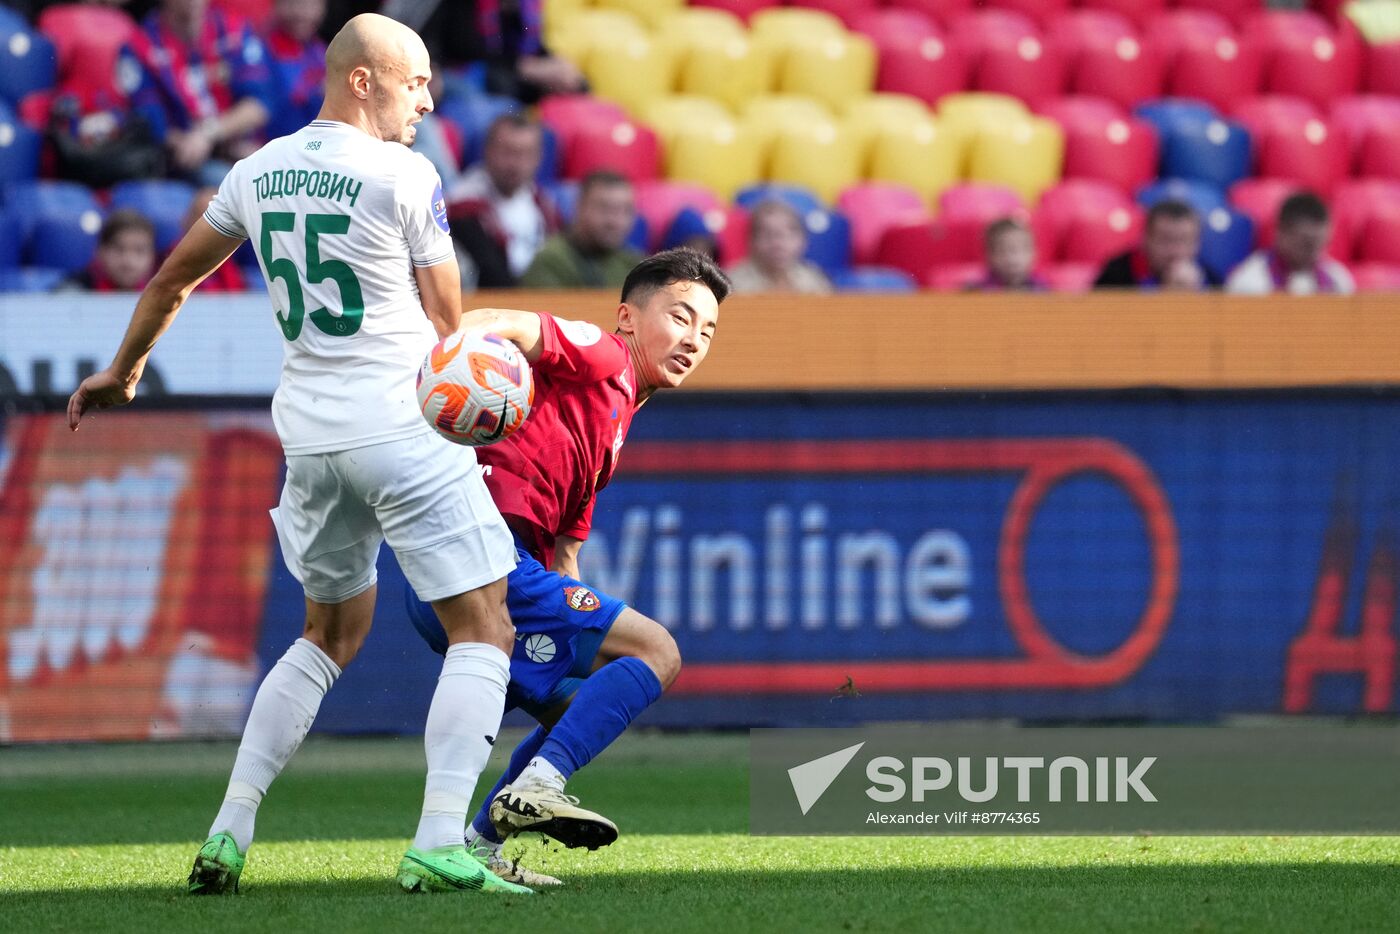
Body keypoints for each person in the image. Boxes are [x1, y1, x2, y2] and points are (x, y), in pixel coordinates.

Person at [69, 13, 535, 897]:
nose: (429, 101)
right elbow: (447, 328)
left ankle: (228, 831)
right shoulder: (404, 174)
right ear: (363, 78)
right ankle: (440, 839)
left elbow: (173, 278)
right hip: (402, 428)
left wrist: (123, 372)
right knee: (485, 627)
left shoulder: (255, 169)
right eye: (417, 81)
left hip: (312, 439)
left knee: (326, 634)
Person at [405, 248, 729, 886]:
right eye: (681, 316)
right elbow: (510, 322)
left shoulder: (610, 430)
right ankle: (538, 787)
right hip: (486, 555)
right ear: (628, 318)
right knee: (659, 652)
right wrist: (448, 358)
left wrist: (579, 633)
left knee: (578, 708)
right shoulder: (602, 353)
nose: (694, 339)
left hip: (482, 572)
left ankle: (473, 847)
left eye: (708, 330)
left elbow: (567, 556)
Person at [117, 0, 275, 186]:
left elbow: (258, 106)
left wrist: (209, 134)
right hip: (181, 162)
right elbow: (152, 123)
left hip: (241, 148)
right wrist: (201, 145)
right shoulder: (139, 45)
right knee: (229, 183)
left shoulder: (233, 30)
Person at [446, 114, 559, 289]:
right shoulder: (463, 205)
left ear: (539, 158)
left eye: (526, 154)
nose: (516, 163)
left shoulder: (542, 204)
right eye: (508, 152)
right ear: (487, 151)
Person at [520, 171, 641, 289]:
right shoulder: (550, 262)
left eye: (626, 210)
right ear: (579, 207)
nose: (616, 222)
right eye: (605, 209)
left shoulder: (632, 264)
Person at [1225, 192, 1355, 295]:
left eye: (1321, 243)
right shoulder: (1251, 282)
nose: (1314, 252)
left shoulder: (1338, 281)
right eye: (1307, 243)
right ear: (1281, 233)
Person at [1093, 200, 1219, 290]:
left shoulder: (1210, 278)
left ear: (1197, 243)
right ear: (1145, 239)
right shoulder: (1117, 274)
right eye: (1166, 240)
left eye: (1184, 240)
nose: (1175, 251)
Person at [725, 200, 831, 295]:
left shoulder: (814, 281)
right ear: (751, 241)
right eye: (767, 234)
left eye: (788, 234)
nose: (777, 244)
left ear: (803, 240)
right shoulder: (731, 284)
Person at [263, 0, 328, 140]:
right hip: (271, 148)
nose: (302, 14)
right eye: (292, 3)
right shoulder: (260, 49)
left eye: (310, 5)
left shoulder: (321, 52)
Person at [62, 210, 157, 292]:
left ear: (152, 255)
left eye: (139, 251)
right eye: (119, 249)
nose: (128, 261)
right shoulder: (72, 294)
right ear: (100, 251)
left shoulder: (162, 300)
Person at [971, 217, 1046, 291]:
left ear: (1035, 253)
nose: (1013, 257)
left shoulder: (1044, 291)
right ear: (988, 255)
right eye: (1002, 250)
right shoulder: (976, 292)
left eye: (1021, 249)